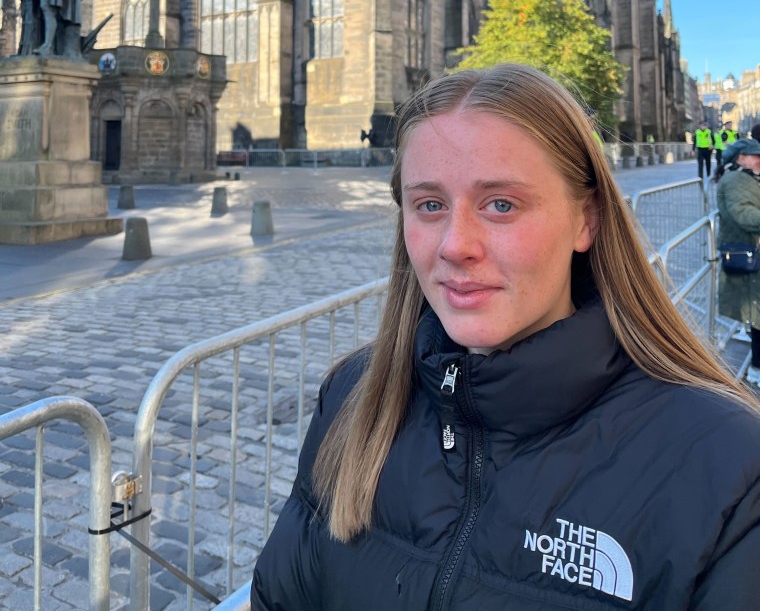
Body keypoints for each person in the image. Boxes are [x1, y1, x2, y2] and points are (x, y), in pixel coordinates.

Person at [252, 64, 760, 610]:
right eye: (429, 205)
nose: (454, 245)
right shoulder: (352, 397)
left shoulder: (729, 469)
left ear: (586, 221)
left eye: (501, 204)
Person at [717, 137, 760, 385]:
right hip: (748, 255)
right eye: (756, 155)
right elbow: (743, 213)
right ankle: (756, 369)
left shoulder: (747, 177)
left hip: (752, 252)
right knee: (757, 315)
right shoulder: (735, 180)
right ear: (741, 157)